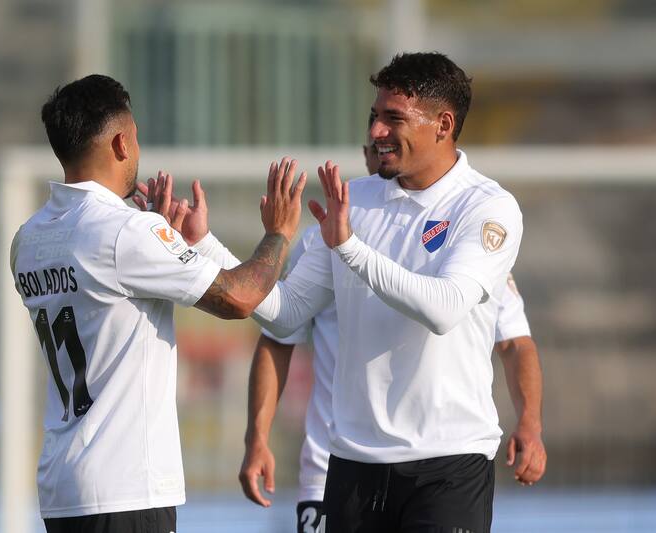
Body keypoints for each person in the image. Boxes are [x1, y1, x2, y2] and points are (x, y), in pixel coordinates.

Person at [184, 51, 528, 532]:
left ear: (443, 125)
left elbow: (445, 309)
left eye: (393, 119)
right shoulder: (355, 201)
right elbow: (286, 315)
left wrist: (349, 247)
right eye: (374, 117)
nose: (376, 132)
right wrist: (204, 246)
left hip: (447, 463)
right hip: (351, 465)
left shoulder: (487, 207)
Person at [10, 74, 306, 533]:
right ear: (121, 143)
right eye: (138, 138)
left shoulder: (28, 238)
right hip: (126, 488)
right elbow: (242, 298)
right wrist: (279, 232)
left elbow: (107, 291)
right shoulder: (125, 232)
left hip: (62, 487)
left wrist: (168, 242)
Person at [238, 132, 546, 532]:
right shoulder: (326, 233)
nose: (381, 148)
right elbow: (279, 333)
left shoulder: (468, 237)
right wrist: (256, 436)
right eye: (373, 142)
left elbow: (514, 342)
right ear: (365, 153)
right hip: (336, 463)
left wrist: (531, 423)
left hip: (441, 458)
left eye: (392, 129)